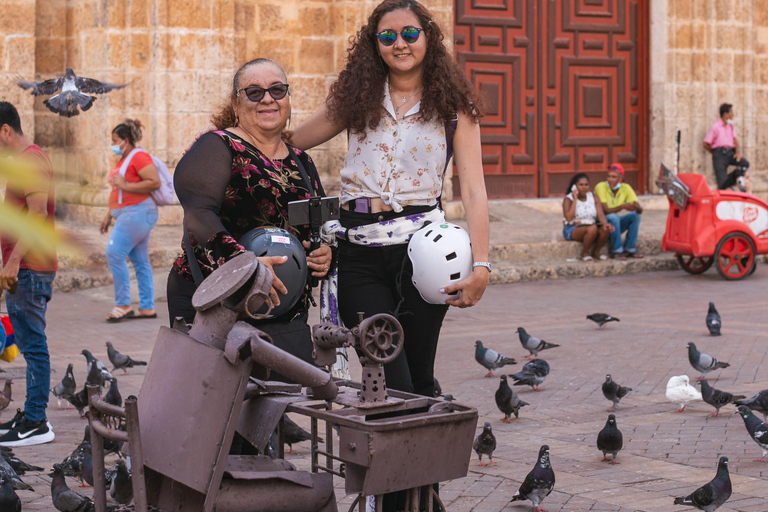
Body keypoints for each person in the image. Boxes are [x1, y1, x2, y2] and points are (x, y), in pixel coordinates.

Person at [291, 2, 489, 508]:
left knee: (419, 378)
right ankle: (406, 500)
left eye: (409, 33)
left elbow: (475, 191)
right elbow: (294, 142)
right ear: (373, 44)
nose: (399, 43)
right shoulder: (356, 99)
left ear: (428, 38)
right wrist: (240, 134)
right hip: (359, 253)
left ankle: (423, 494)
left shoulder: (453, 109)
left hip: (425, 256)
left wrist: (482, 266)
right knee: (389, 381)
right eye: (387, 36)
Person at [168, 58, 332, 368]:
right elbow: (199, 214)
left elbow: (318, 225)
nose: (268, 99)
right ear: (236, 102)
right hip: (217, 305)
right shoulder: (218, 146)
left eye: (278, 90)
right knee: (215, 406)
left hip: (284, 310)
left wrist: (325, 251)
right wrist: (245, 267)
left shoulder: (301, 161)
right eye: (254, 92)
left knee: (282, 403)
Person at [0, 101, 56, 446]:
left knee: (34, 347)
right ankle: (31, 414)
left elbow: (36, 215)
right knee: (29, 343)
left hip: (29, 269)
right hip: (25, 268)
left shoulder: (32, 160)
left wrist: (12, 261)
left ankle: (37, 421)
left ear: (5, 130)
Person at [100, 120, 161, 322]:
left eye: (115, 140)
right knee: (140, 261)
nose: (113, 144)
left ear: (126, 141)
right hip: (129, 214)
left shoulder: (139, 156)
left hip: (138, 212)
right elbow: (118, 190)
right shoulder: (124, 159)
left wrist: (125, 184)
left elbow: (154, 182)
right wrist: (108, 216)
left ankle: (124, 305)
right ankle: (147, 308)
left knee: (114, 253)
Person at [593, 163, 644, 260]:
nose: (610, 179)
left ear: (622, 179)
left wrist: (638, 208)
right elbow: (605, 210)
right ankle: (616, 251)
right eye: (609, 176)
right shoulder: (601, 187)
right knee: (613, 216)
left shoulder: (626, 188)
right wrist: (622, 206)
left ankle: (629, 249)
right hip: (601, 223)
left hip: (614, 225)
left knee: (636, 216)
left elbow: (638, 209)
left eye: (614, 177)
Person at [562, 173, 613, 262]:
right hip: (572, 229)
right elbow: (569, 218)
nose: (584, 187)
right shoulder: (568, 199)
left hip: (590, 227)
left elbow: (600, 214)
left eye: (586, 185)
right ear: (575, 186)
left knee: (605, 229)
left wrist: (605, 224)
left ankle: (596, 252)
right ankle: (585, 253)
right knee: (592, 228)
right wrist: (575, 199)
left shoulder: (593, 197)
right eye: (581, 185)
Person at [703, 103, 750, 190]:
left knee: (745, 163)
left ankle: (736, 175)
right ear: (726, 114)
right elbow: (706, 143)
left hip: (730, 153)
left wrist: (737, 153)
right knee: (722, 184)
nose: (733, 115)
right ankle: (728, 186)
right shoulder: (715, 127)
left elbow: (735, 140)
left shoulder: (730, 126)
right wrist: (715, 153)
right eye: (731, 112)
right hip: (719, 154)